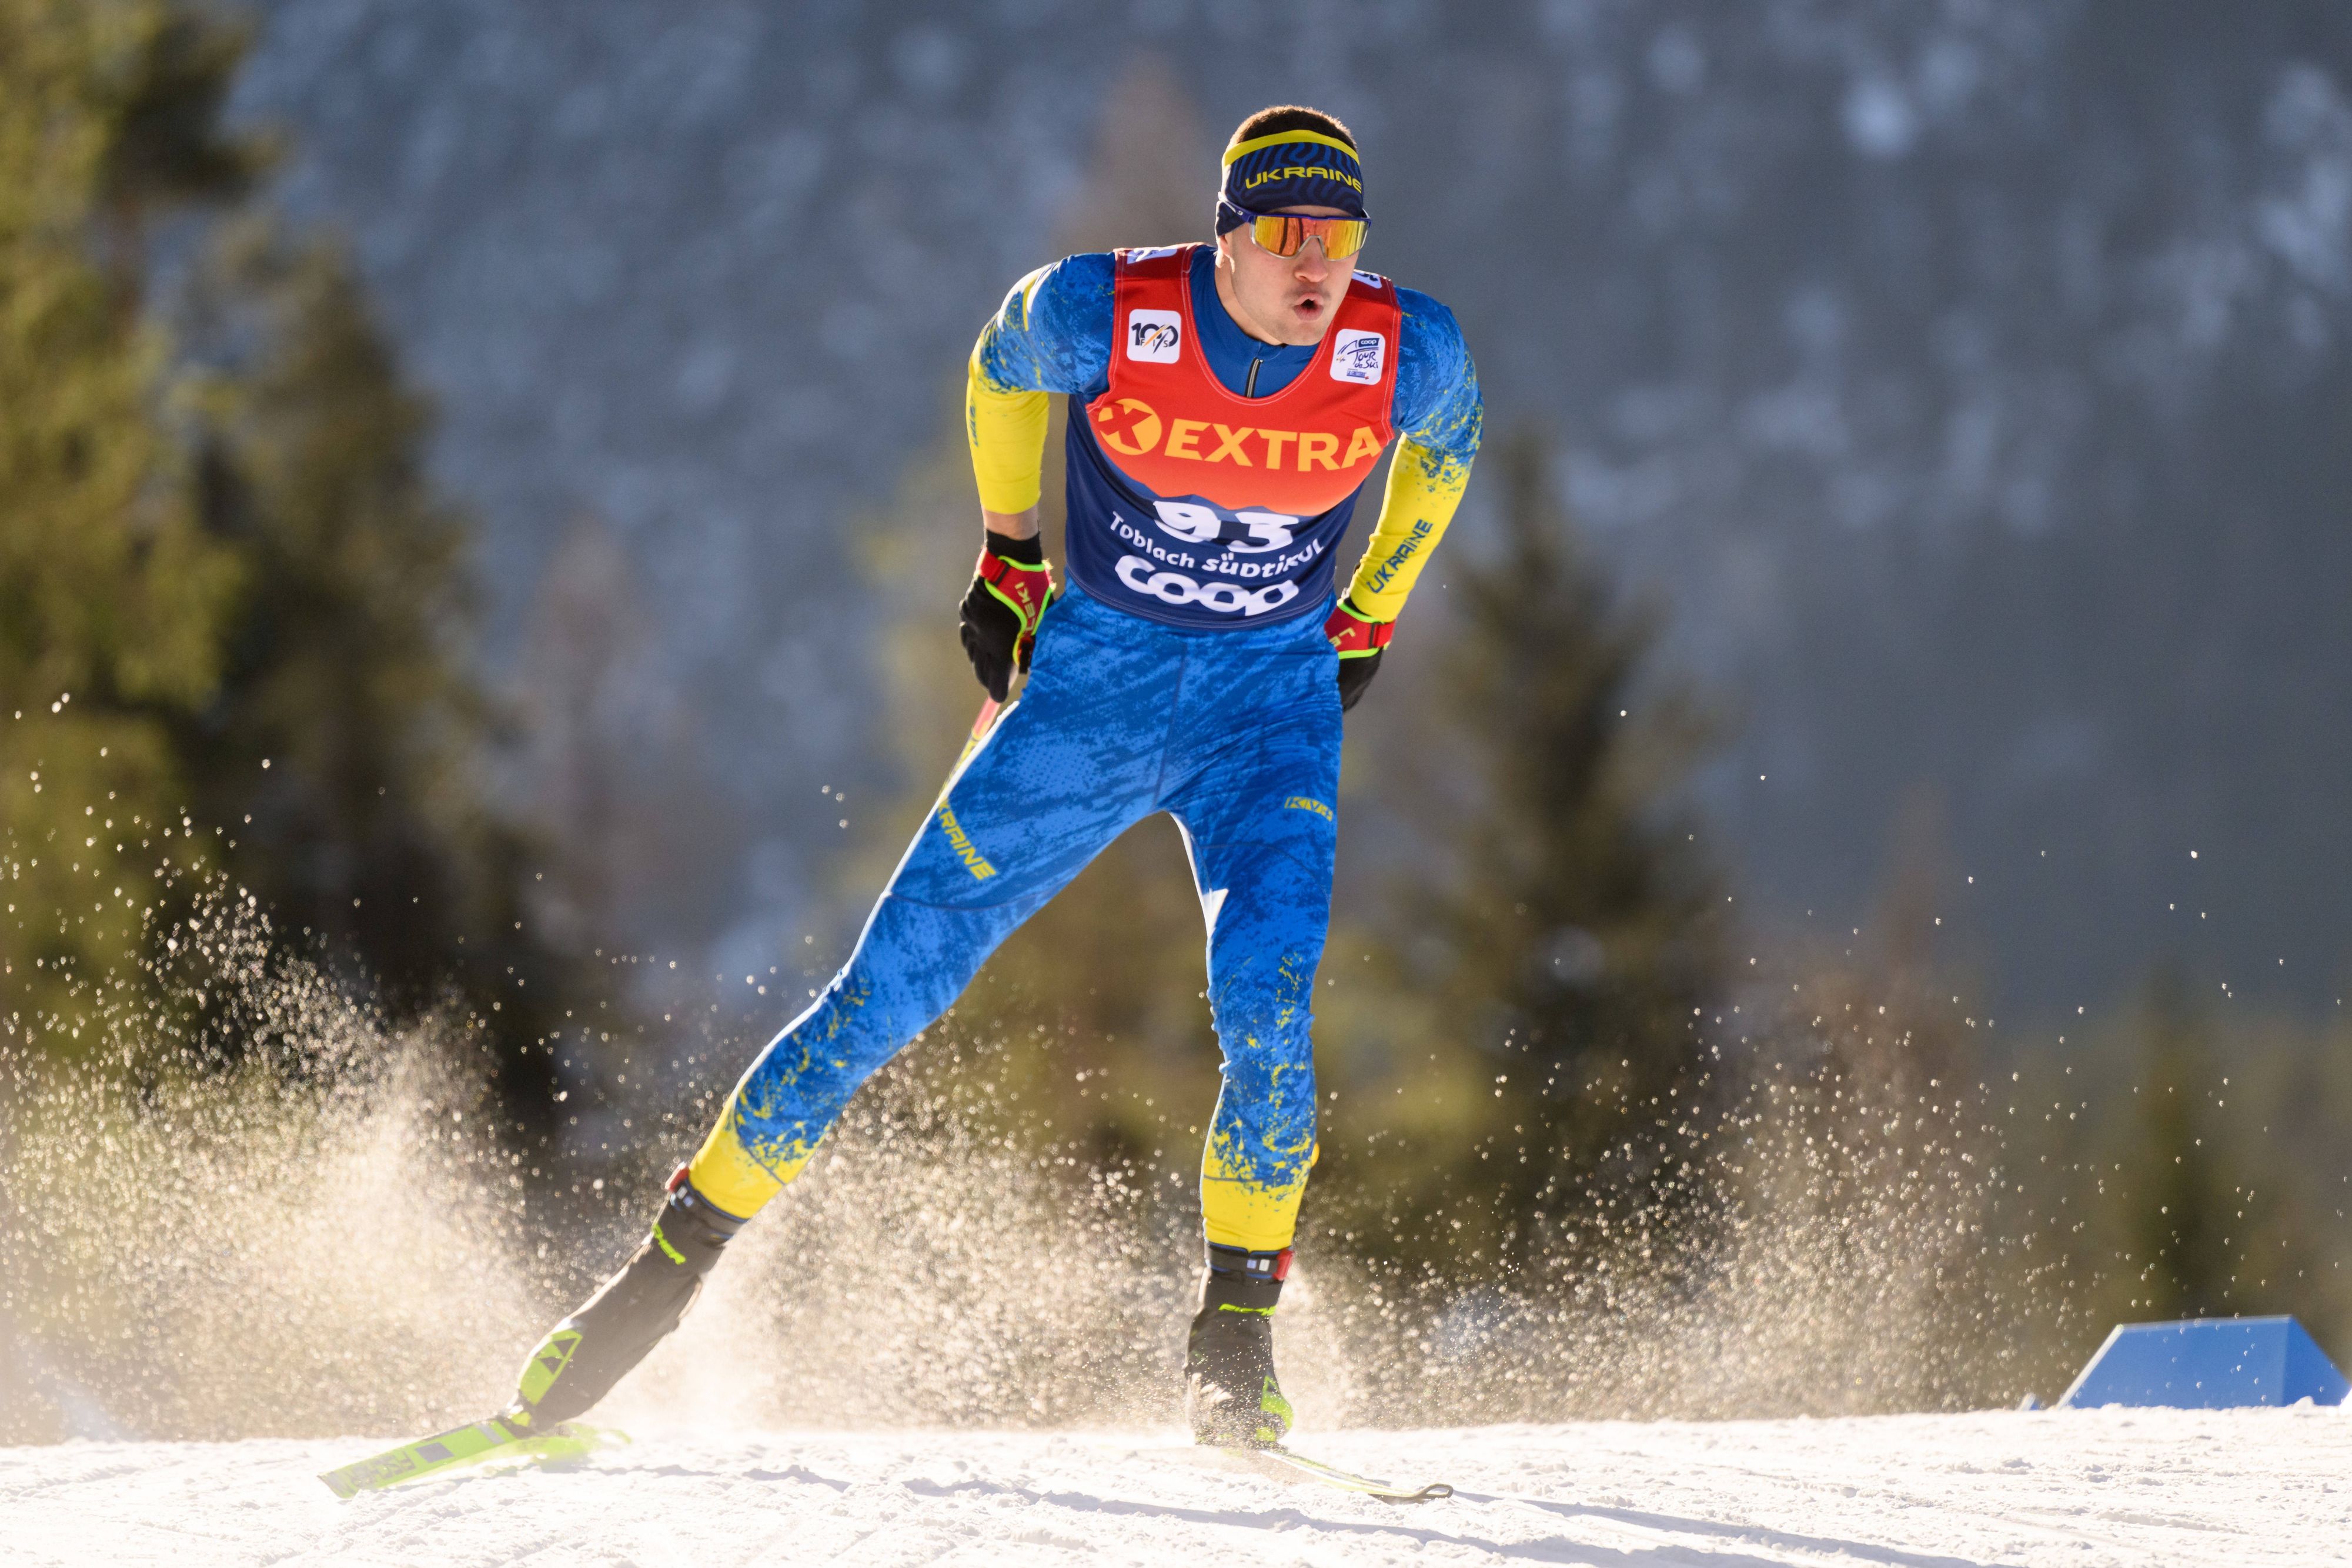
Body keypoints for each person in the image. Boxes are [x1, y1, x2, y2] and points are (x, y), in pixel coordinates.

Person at [497, 104, 1482, 1450]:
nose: (1316, 263)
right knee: (882, 993)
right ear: (1226, 238)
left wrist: (1371, 607)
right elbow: (999, 368)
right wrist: (1007, 549)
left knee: (1268, 1011)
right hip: (1090, 699)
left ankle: (1231, 1346)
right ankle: (654, 1285)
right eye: (1284, 232)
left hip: (1264, 718)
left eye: (1340, 236)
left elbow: (1447, 447)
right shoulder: (1105, 312)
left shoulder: (1404, 347)